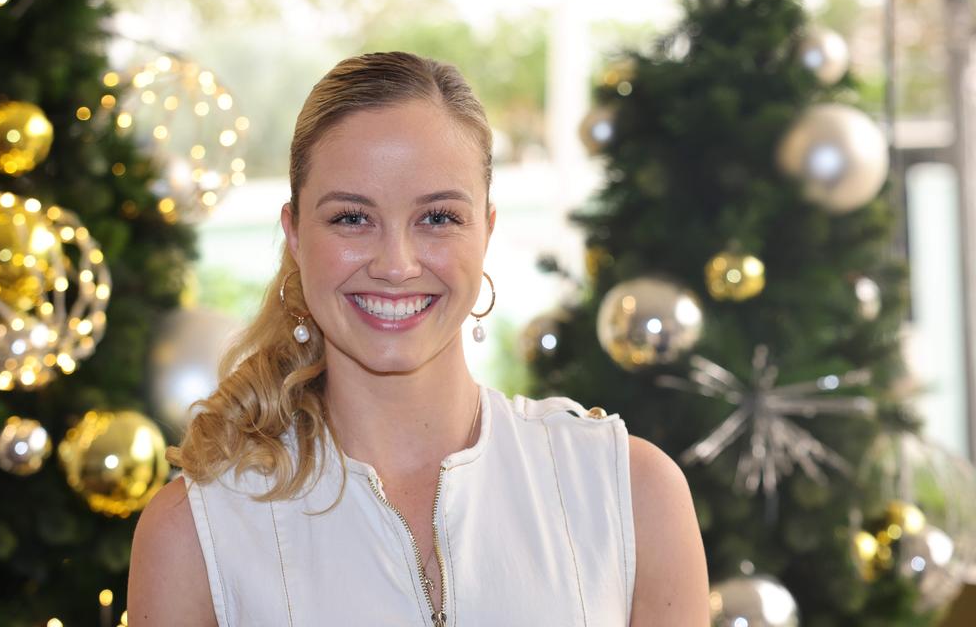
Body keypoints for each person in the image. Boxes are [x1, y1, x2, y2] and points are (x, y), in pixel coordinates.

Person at [127, 51, 708, 626]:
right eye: (352, 218)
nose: (396, 264)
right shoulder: (193, 536)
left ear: (486, 230)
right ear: (296, 234)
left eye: (438, 218)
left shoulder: (628, 493)